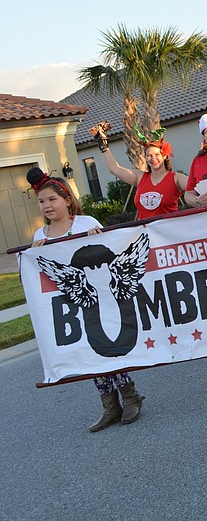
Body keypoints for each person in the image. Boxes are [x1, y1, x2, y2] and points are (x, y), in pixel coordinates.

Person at [26, 166, 145, 432]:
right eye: (42, 201)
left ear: (67, 200)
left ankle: (130, 395)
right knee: (90, 351)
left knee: (111, 348)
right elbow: (37, 274)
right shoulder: (40, 236)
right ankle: (109, 405)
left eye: (52, 199)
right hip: (70, 306)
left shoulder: (86, 223)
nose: (47, 205)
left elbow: (112, 251)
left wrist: (100, 238)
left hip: (101, 299)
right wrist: (33, 256)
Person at [94, 124, 188, 219]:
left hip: (169, 227)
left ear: (164, 156)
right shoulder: (140, 177)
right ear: (145, 158)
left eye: (157, 155)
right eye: (149, 155)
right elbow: (114, 168)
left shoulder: (176, 178)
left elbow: (194, 187)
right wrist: (104, 146)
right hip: (145, 228)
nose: (153, 159)